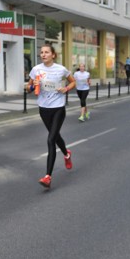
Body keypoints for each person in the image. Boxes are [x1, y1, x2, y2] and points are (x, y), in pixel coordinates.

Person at [28, 43, 76, 189]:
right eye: (41, 52)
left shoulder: (61, 69)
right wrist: (32, 85)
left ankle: (48, 176)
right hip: (43, 109)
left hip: (58, 108)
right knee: (55, 136)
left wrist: (66, 88)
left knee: (50, 140)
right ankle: (67, 154)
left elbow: (73, 81)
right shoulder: (36, 69)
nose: (43, 54)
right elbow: (28, 88)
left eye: (46, 52)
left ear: (53, 55)